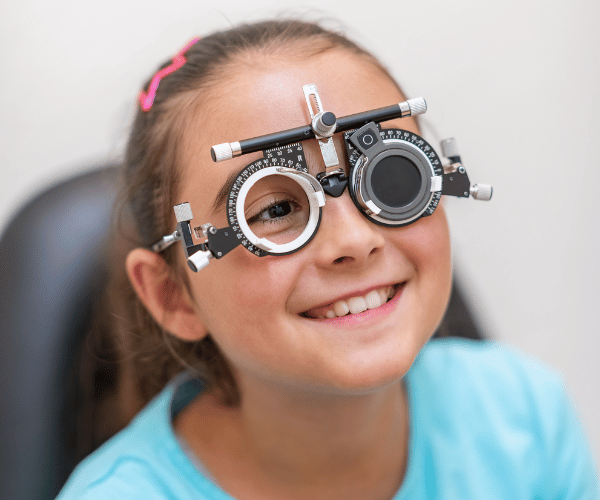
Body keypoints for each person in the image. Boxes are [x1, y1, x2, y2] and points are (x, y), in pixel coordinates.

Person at [56, 19, 598, 499]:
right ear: (172, 295)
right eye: (273, 210)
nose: (354, 241)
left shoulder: (525, 419)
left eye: (390, 175)